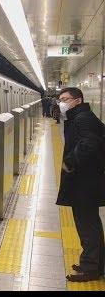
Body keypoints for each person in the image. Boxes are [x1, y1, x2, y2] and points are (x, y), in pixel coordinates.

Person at [55, 87, 105, 282]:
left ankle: (90, 268)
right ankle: (94, 263)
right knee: (90, 222)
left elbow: (90, 142)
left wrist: (70, 161)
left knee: (86, 224)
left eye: (65, 99)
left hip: (85, 182)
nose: (61, 103)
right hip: (88, 179)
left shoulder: (83, 118)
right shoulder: (82, 116)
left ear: (78, 100)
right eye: (60, 99)